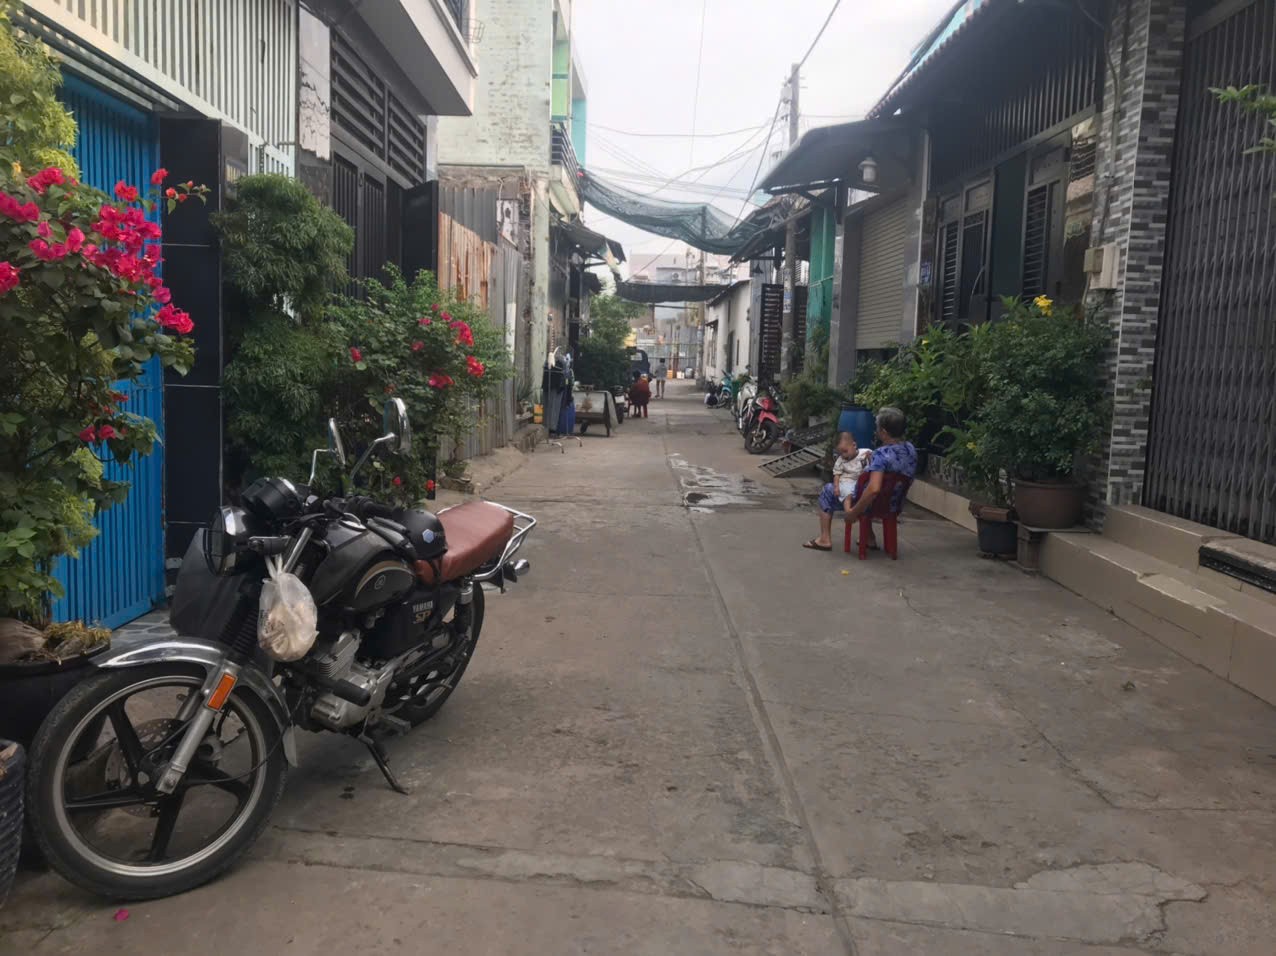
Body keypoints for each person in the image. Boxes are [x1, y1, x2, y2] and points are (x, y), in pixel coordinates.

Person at [843, 407, 918, 550]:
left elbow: (874, 489)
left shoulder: (881, 454)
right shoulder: (910, 449)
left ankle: (824, 538)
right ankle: (869, 537)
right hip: (895, 504)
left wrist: (854, 513)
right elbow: (894, 470)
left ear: (883, 432)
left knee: (834, 490)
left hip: (875, 504)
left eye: (877, 428)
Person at [803, 432, 873, 551]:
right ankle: (867, 534)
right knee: (846, 493)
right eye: (841, 453)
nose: (843, 455)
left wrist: (870, 457)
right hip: (853, 487)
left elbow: (874, 463)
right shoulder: (841, 460)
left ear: (854, 445)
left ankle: (827, 536)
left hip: (862, 491)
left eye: (845, 451)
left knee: (827, 491)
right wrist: (836, 487)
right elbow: (836, 475)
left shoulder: (865, 453)